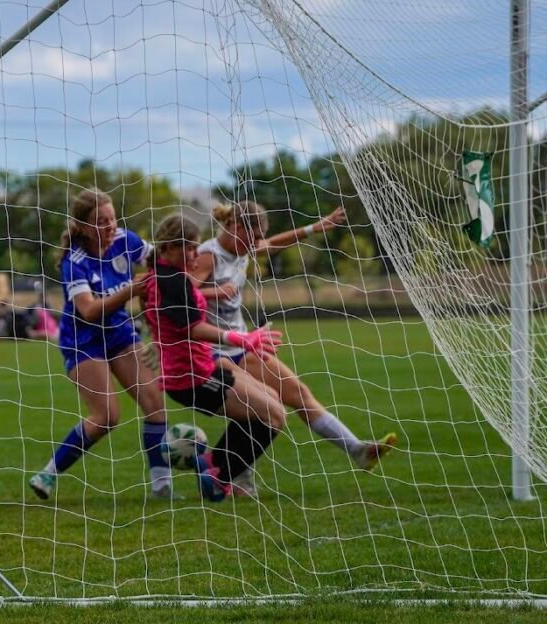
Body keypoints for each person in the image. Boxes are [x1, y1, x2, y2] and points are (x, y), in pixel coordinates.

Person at [192, 201, 397, 497]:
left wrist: (314, 228)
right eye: (253, 236)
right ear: (235, 227)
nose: (257, 243)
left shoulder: (244, 248)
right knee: (261, 406)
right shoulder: (208, 255)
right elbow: (179, 293)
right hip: (212, 349)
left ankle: (358, 450)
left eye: (259, 237)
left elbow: (274, 243)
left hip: (242, 344)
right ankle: (227, 473)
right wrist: (217, 292)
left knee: (297, 393)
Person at [28, 189, 175, 500]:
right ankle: (48, 473)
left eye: (112, 219)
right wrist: (132, 290)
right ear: (83, 227)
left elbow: (163, 262)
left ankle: (162, 487)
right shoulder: (74, 262)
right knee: (107, 416)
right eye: (100, 221)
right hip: (83, 341)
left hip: (119, 334)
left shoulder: (126, 240)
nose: (110, 226)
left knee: (154, 402)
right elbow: (90, 310)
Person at [143, 213, 287, 501]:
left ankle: (212, 464)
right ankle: (218, 475)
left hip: (203, 366)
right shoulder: (170, 280)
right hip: (192, 378)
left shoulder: (169, 276)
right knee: (273, 416)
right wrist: (241, 338)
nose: (195, 254)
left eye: (195, 247)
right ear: (168, 247)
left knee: (272, 400)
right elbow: (193, 328)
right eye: (189, 248)